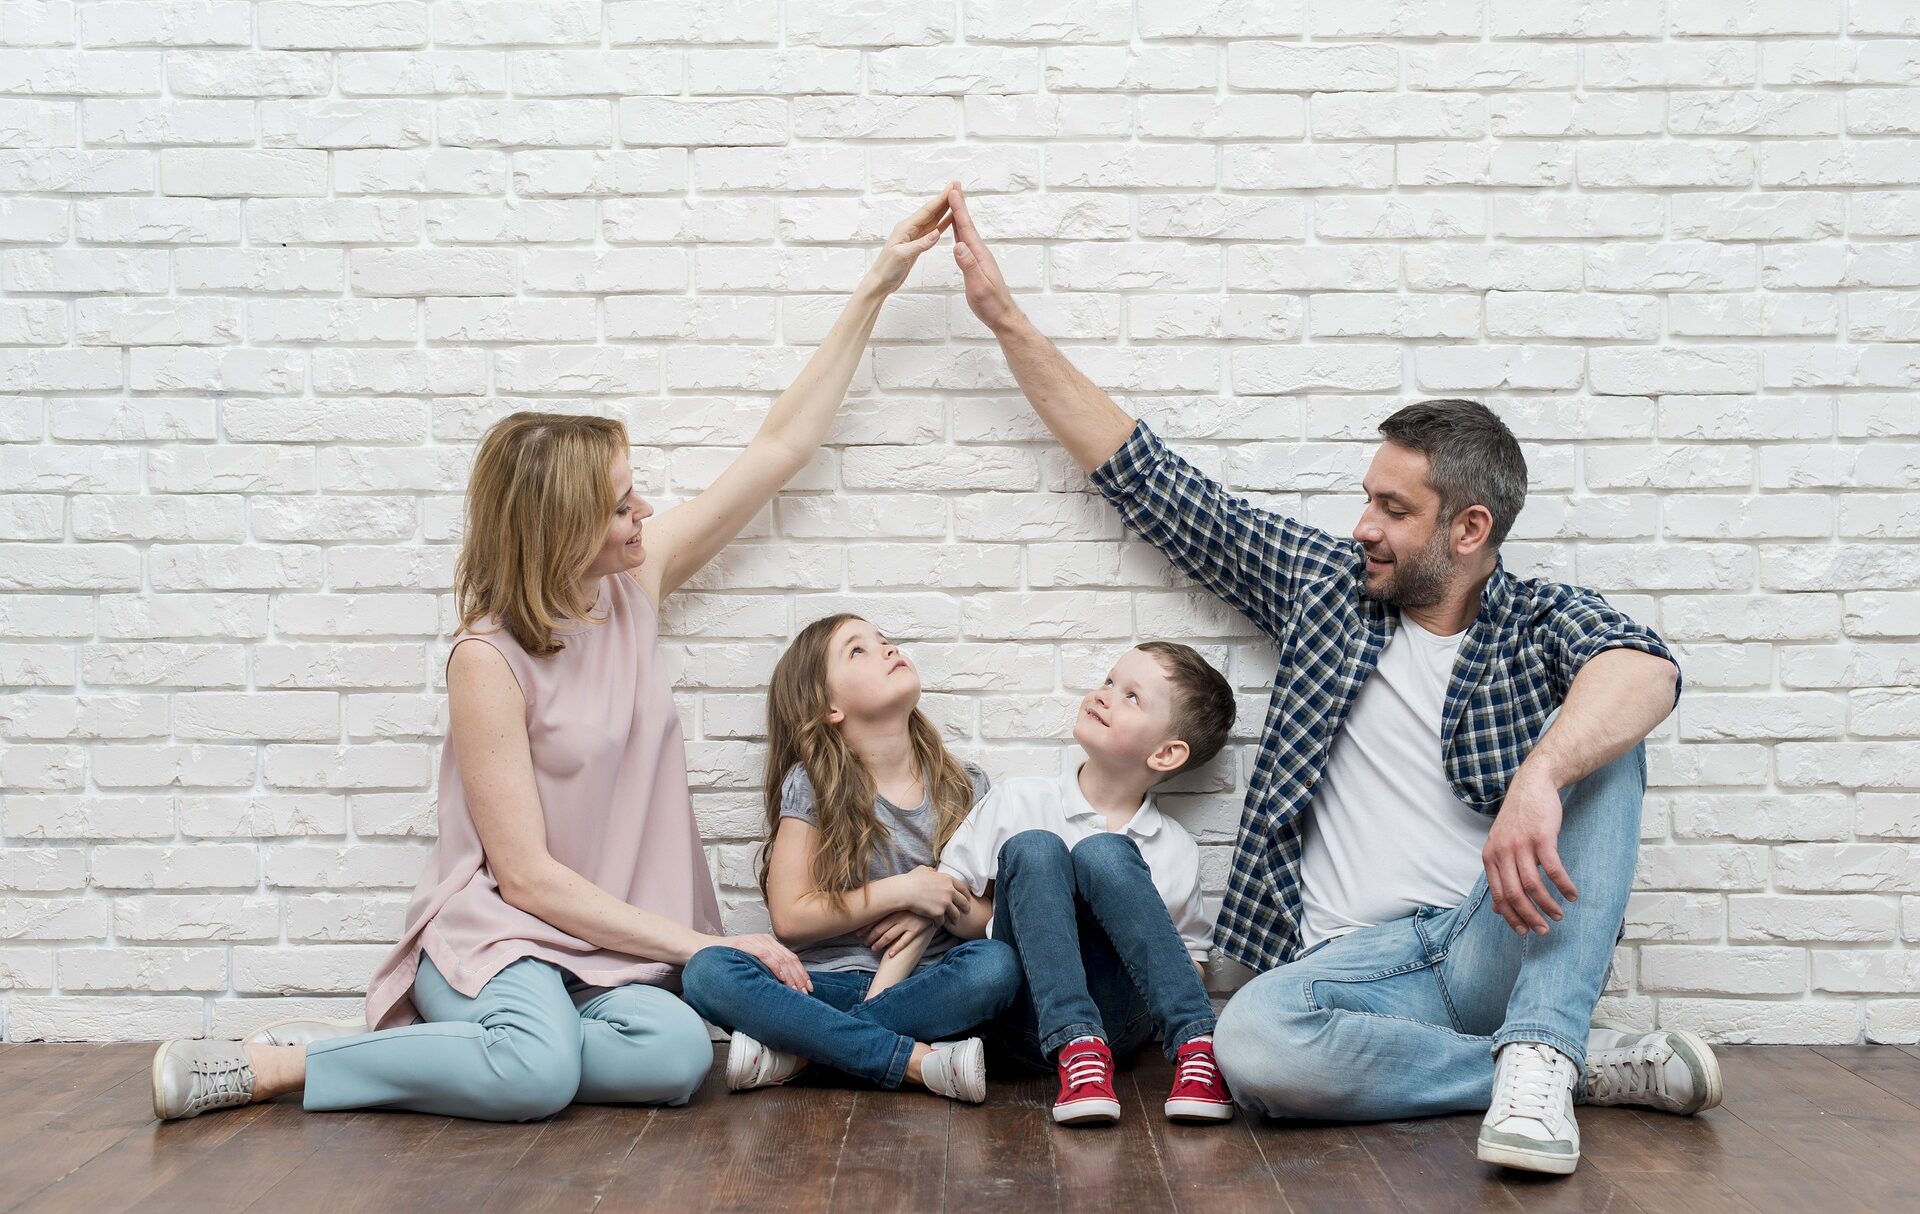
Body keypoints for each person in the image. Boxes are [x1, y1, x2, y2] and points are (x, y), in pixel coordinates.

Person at [941, 183, 1721, 1176]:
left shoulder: (1535, 621)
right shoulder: (1327, 589)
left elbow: (1647, 669)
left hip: (1489, 940)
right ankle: (1555, 1063)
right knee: (1251, 1044)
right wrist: (1005, 320)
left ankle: (1538, 1038)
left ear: (1468, 529)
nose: (1363, 525)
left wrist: (1542, 773)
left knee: (1610, 740)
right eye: (1366, 498)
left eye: (1393, 508)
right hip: (1350, 972)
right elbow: (1156, 482)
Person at [149, 190, 960, 1123]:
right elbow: (526, 877)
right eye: (621, 505)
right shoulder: (485, 662)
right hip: (508, 935)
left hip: (615, 944)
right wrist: (701, 947)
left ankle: (510, 1050)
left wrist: (876, 286)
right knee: (536, 1079)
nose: (645, 514)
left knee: (668, 1061)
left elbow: (779, 447)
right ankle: (291, 1064)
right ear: (561, 527)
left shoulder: (634, 585)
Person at [678, 614, 1022, 1103]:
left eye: (883, 640)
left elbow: (989, 922)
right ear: (829, 706)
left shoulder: (967, 787)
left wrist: (943, 899)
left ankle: (803, 1055)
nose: (886, 648)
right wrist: (903, 889)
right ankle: (915, 1062)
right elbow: (791, 919)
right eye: (857, 650)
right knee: (706, 970)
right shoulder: (813, 785)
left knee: (996, 966)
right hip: (824, 987)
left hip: (926, 988)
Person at [937, 642, 1237, 1126]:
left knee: (1104, 853)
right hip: (1022, 1020)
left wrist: (1128, 938)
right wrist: (1029, 922)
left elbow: (1193, 963)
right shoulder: (1019, 799)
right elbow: (948, 896)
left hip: (1120, 1025)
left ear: (1165, 753)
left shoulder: (1173, 846)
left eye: (1131, 697)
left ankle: (1197, 1048)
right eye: (1109, 682)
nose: (1104, 695)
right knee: (1036, 847)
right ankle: (1076, 1045)